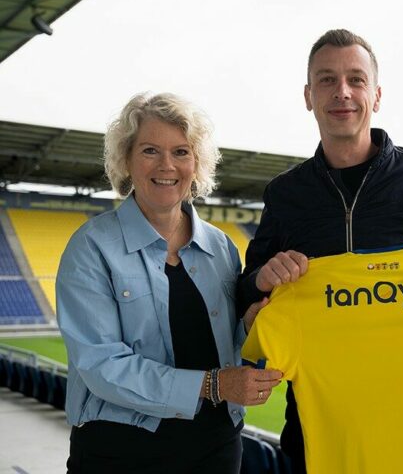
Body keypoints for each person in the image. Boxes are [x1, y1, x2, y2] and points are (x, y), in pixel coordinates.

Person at [237, 28, 403, 472]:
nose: (342, 92)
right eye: (326, 80)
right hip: (316, 426)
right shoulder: (286, 193)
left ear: (376, 95)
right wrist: (263, 279)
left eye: (355, 79)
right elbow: (245, 294)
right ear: (308, 95)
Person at [57, 92, 282, 474]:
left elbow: (229, 345)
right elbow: (101, 366)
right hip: (119, 453)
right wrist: (213, 386)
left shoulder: (221, 246)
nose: (167, 165)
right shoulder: (91, 247)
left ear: (197, 164)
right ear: (126, 159)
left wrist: (251, 325)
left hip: (215, 450)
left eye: (181, 152)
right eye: (149, 151)